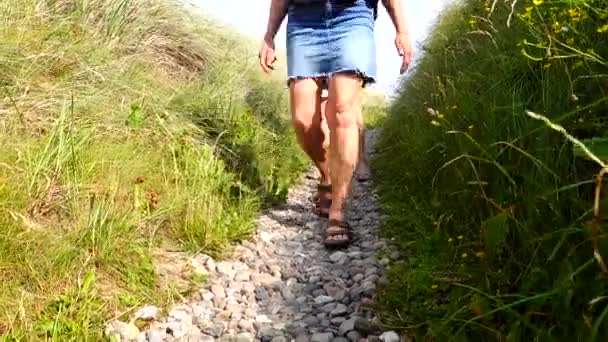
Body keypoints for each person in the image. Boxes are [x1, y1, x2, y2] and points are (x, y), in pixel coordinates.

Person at [259, 0, 412, 247]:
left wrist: (401, 30)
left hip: (352, 15)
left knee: (343, 111)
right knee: (303, 119)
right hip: (303, 20)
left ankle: (338, 211)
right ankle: (328, 174)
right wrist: (269, 35)